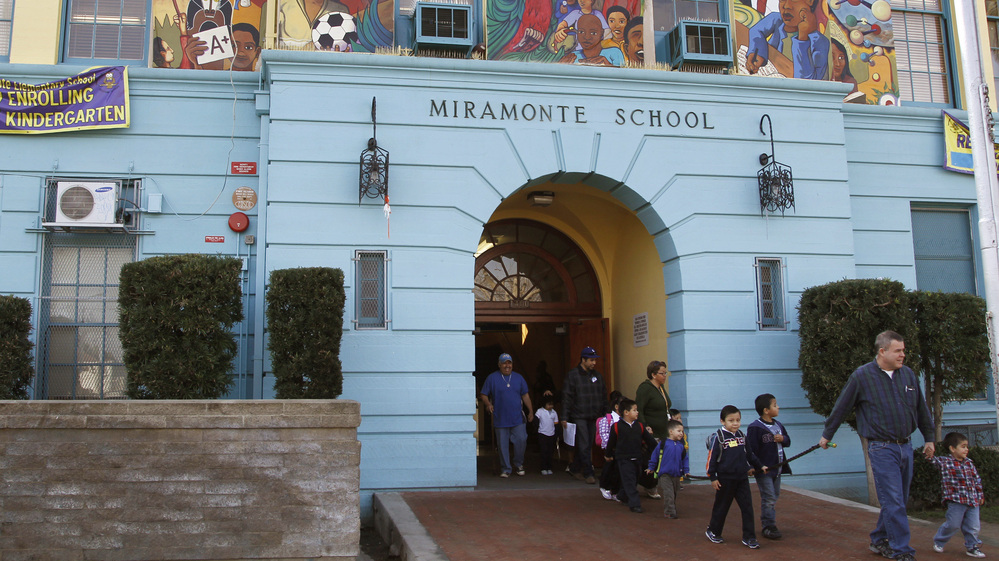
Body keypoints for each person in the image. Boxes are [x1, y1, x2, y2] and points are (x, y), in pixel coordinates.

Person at [820, 330, 935, 561]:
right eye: (898, 351)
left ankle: (879, 538)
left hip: (905, 447)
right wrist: (827, 434)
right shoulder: (862, 376)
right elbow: (842, 406)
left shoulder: (909, 375)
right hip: (881, 448)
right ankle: (902, 550)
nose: (903, 355)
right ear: (882, 351)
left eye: (904, 350)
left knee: (898, 500)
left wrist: (930, 437)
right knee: (893, 500)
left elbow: (921, 408)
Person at [706, 405, 766, 549]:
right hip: (725, 480)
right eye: (731, 420)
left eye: (738, 420)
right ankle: (713, 531)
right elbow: (711, 460)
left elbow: (750, 455)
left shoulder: (741, 436)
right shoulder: (719, 438)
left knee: (747, 508)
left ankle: (749, 537)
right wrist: (713, 477)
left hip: (742, 479)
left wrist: (760, 466)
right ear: (722, 421)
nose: (735, 423)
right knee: (722, 507)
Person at [930, 432, 985, 558]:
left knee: (974, 526)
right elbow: (932, 460)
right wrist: (929, 453)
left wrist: (980, 494)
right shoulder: (945, 462)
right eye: (963, 446)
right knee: (953, 525)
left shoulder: (969, 463)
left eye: (967, 446)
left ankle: (972, 547)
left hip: (972, 501)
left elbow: (977, 480)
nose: (967, 449)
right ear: (952, 448)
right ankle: (939, 541)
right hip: (956, 501)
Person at [480, 353, 534, 477]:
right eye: (504, 363)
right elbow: (484, 394)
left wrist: (530, 411)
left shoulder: (519, 378)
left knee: (521, 439)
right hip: (500, 417)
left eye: (509, 363)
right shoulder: (492, 378)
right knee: (502, 445)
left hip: (517, 417)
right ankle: (506, 469)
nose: (507, 365)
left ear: (512, 364)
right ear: (499, 365)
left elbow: (525, 395)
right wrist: (488, 404)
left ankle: (518, 463)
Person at [745, 0, 829, 80]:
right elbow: (756, 30)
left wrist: (803, 38)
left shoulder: (820, 42)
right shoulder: (776, 20)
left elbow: (806, 83)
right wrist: (758, 52)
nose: (786, 6)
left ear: (810, 1)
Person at [746, 393, 791, 540]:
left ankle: (769, 521)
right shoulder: (755, 428)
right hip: (764, 470)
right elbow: (751, 450)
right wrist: (753, 466)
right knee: (769, 497)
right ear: (766, 410)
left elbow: (788, 441)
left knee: (774, 495)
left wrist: (782, 438)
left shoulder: (778, 425)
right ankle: (768, 525)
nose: (778, 407)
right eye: (775, 405)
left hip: (777, 469)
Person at [562, 346, 608, 484]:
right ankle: (589, 472)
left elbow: (603, 396)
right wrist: (564, 416)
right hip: (579, 415)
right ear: (583, 360)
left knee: (588, 443)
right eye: (591, 360)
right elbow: (567, 397)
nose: (594, 363)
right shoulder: (573, 375)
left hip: (594, 415)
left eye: (595, 360)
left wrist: (606, 413)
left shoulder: (597, 376)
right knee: (584, 444)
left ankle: (575, 467)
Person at [605, 398, 658, 513]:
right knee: (629, 480)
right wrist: (608, 455)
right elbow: (611, 443)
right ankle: (635, 504)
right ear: (626, 412)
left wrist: (659, 449)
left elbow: (651, 441)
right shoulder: (616, 427)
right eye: (634, 410)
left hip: (638, 458)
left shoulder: (640, 426)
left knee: (635, 479)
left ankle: (622, 495)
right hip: (623, 459)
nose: (637, 412)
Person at [635, 359, 671, 498]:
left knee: (662, 459)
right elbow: (640, 409)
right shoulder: (645, 388)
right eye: (662, 373)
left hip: (664, 430)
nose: (665, 376)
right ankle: (650, 485)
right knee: (652, 459)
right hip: (652, 431)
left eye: (665, 373)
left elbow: (665, 406)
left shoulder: (660, 388)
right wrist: (645, 426)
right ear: (653, 374)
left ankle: (653, 483)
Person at [647, 419, 688, 518]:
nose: (681, 433)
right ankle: (669, 512)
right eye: (679, 431)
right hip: (665, 474)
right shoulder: (663, 444)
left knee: (673, 493)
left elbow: (685, 459)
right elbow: (655, 456)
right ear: (671, 432)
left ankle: (671, 507)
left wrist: (686, 470)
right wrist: (651, 467)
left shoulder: (681, 446)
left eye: (682, 431)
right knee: (668, 493)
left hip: (677, 474)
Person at [597, 391, 624, 499]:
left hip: (622, 450)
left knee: (619, 471)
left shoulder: (626, 420)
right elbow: (605, 436)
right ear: (616, 406)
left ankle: (617, 490)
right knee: (610, 469)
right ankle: (605, 486)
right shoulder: (607, 420)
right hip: (612, 450)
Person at [535, 396, 559, 475]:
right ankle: (543, 467)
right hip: (542, 433)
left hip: (551, 434)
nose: (550, 406)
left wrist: (556, 434)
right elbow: (536, 421)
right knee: (543, 451)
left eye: (552, 404)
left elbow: (556, 424)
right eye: (549, 404)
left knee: (550, 451)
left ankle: (549, 467)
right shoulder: (540, 411)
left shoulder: (554, 412)